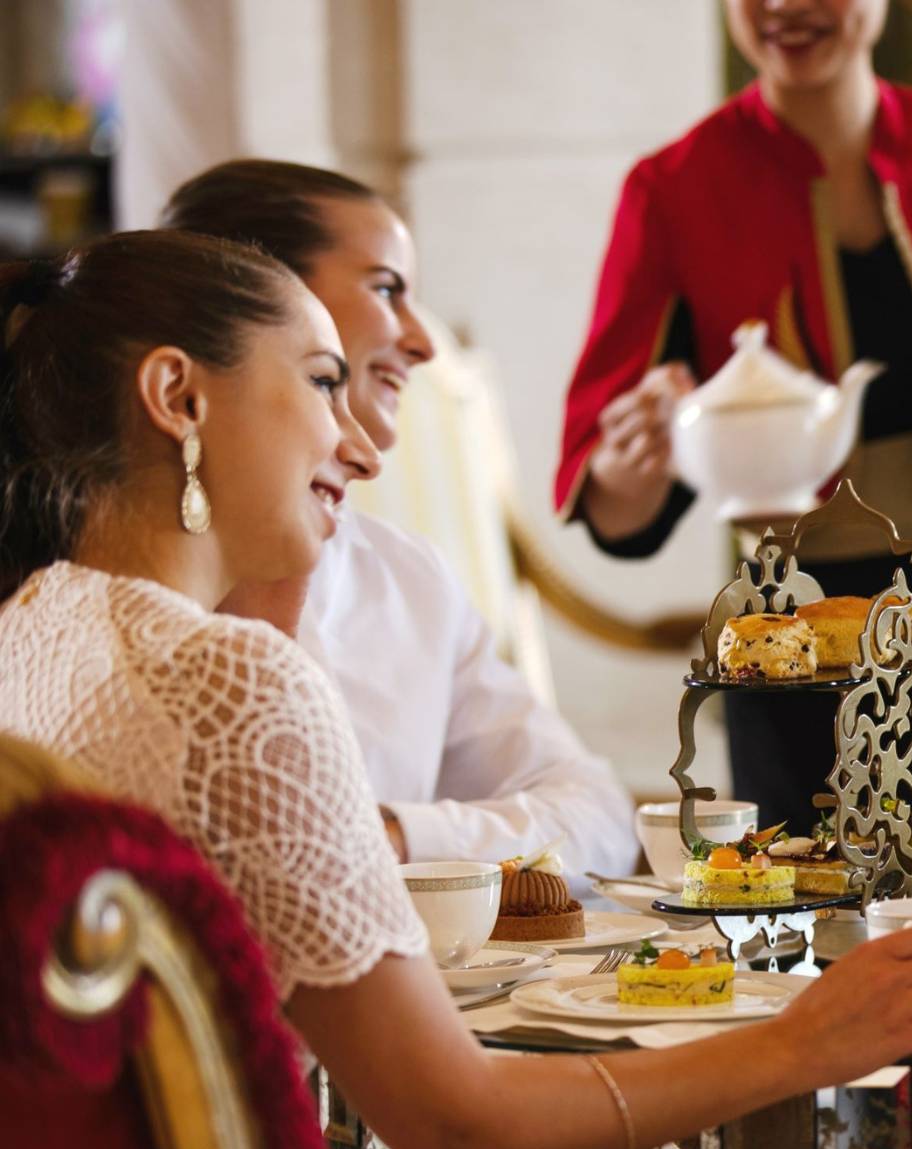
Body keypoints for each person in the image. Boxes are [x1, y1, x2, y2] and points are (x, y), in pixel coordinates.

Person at [0, 231, 912, 1149]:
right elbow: (455, 1123)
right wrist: (801, 1041)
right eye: (321, 382)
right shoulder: (231, 683)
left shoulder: (32, 631)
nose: (361, 446)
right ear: (179, 397)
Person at [559, 0, 912, 837]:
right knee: (803, 892)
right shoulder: (673, 188)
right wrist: (629, 458)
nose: (786, 6)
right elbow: (616, 507)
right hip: (792, 624)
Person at [159, 160, 638, 890]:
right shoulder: (120, 596)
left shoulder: (409, 577)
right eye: (386, 289)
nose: (424, 342)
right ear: (255, 300)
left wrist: (396, 837)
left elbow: (599, 817)